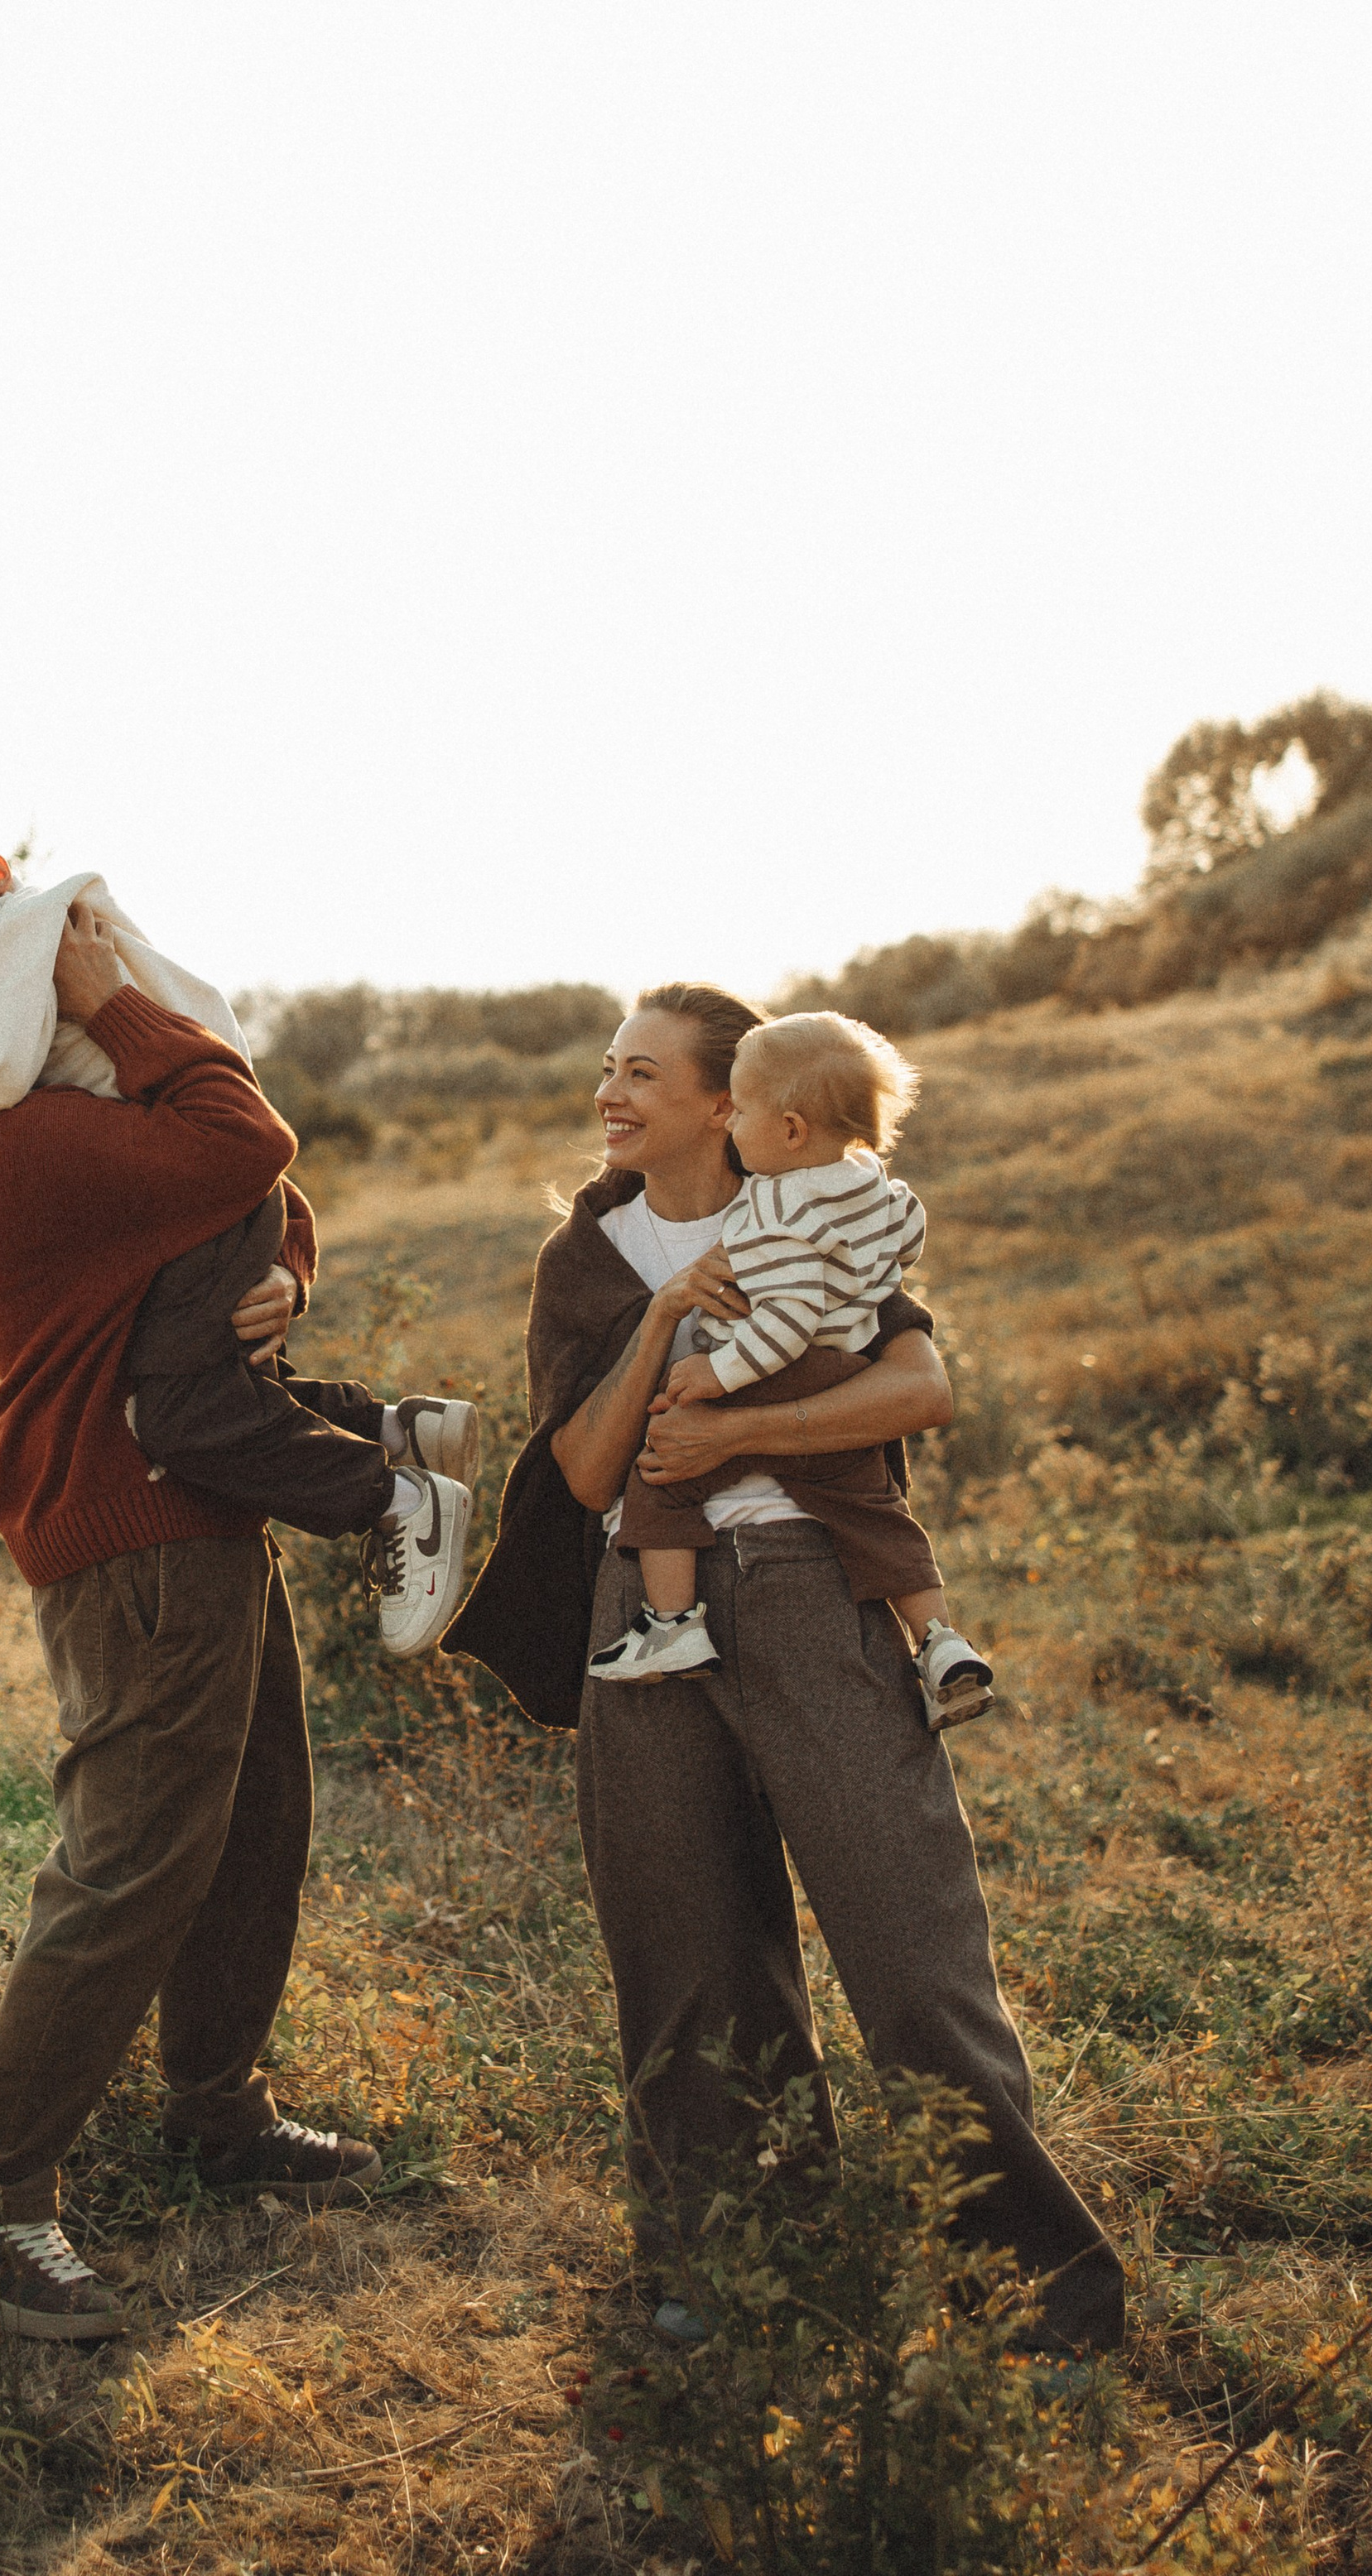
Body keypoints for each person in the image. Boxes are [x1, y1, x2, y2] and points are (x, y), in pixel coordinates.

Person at [0, 901, 432, 2341]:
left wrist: (284, 1282)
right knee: (128, 1866)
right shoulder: (6, 1146)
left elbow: (251, 1205)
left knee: (257, 1820)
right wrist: (106, 996)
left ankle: (217, 2112)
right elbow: (242, 1140)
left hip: (191, 1504)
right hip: (133, 1526)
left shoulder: (28, 1108)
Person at [445, 983, 1124, 2358]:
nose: (609, 1096)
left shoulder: (819, 1210)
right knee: (686, 1959)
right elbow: (581, 1470)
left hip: (816, 1594)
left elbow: (917, 1391)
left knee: (911, 1948)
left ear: (724, 1099)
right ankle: (734, 2254)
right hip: (641, 1605)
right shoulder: (586, 1259)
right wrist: (662, 1326)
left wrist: (733, 1447)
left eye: (642, 1074)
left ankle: (1033, 2288)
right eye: (605, 1069)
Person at [0, 800, 475, 1649]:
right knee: (203, 1376)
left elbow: (5, 1070)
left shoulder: (25, 943)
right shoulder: (0, 979)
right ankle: (388, 1428)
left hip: (218, 1198)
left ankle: (396, 1502)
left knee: (179, 1414)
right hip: (224, 1190)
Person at [590, 1008, 994, 1727]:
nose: (609, 1093)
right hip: (843, 1366)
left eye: (742, 1111)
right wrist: (871, 1284)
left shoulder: (773, 1209)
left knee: (661, 1472)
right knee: (873, 1510)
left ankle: (671, 1623)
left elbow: (788, 1319)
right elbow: (908, 1233)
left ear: (788, 1129)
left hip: (782, 1372)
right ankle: (939, 1640)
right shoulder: (870, 1183)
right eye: (609, 1069)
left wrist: (718, 1383)